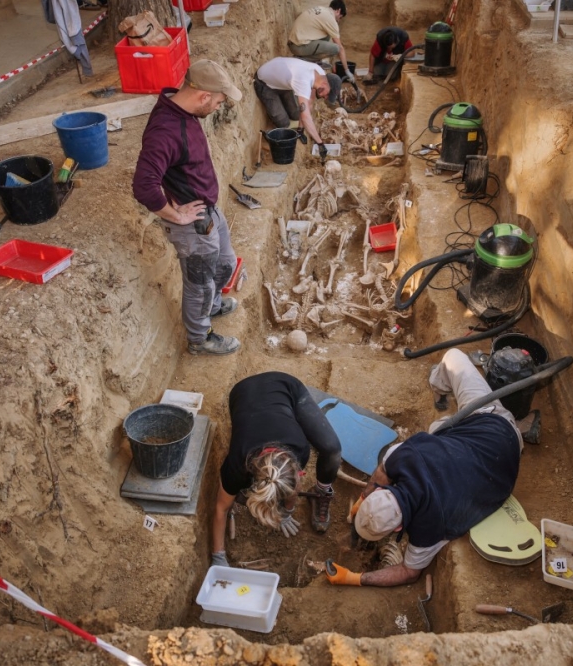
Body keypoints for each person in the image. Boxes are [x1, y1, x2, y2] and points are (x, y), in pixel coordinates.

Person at [326, 348, 523, 587]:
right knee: (453, 358)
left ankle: (442, 393)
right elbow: (381, 473)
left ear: (399, 527)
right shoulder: (406, 455)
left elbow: (408, 572)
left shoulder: (429, 529)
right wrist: (363, 501)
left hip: (498, 438)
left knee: (439, 426)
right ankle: (439, 386)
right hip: (494, 431)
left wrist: (354, 578)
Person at [132, 60, 243, 356]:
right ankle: (199, 338)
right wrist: (175, 214)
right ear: (203, 96)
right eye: (218, 102)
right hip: (192, 224)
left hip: (207, 210)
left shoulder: (181, 108)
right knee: (201, 284)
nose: (219, 107)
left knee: (226, 264)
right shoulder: (165, 131)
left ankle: (214, 307)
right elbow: (144, 185)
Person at [211, 372, 343, 567]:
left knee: (332, 450)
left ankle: (322, 492)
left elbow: (293, 484)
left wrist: (287, 511)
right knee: (234, 493)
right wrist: (218, 556)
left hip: (286, 387)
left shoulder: (299, 448)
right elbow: (221, 509)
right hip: (243, 391)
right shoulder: (237, 465)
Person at [254, 57, 341, 160]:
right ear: (325, 84)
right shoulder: (303, 81)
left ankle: (282, 104)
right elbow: (306, 117)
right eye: (328, 94)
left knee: (295, 114)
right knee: (283, 123)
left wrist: (300, 129)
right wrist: (320, 143)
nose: (325, 97)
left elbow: (309, 103)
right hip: (265, 82)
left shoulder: (319, 74)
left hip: (283, 83)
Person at [287, 0, 352, 82]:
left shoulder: (322, 10)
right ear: (338, 11)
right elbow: (340, 48)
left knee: (327, 34)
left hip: (294, 43)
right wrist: (347, 70)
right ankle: (304, 59)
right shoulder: (331, 20)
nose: (338, 20)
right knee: (336, 49)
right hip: (298, 46)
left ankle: (313, 59)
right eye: (340, 17)